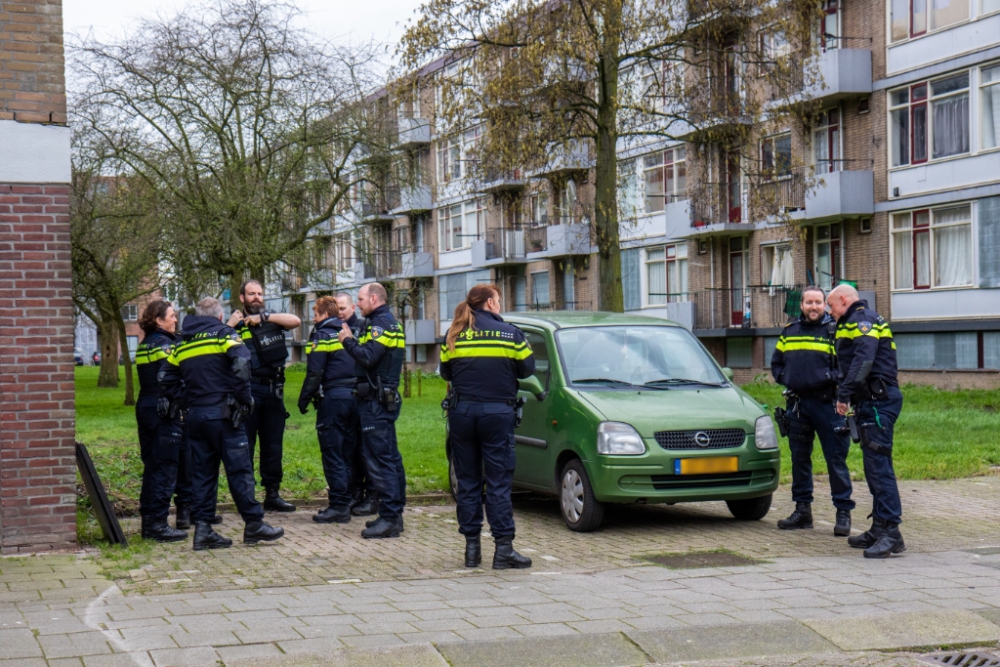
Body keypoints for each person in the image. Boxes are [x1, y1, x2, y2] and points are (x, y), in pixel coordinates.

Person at [160, 297, 284, 550]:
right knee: (239, 471)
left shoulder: (184, 342)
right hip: (225, 416)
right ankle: (254, 524)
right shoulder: (223, 334)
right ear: (218, 316)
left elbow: (165, 376)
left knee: (203, 475)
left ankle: (203, 530)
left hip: (195, 417)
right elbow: (241, 362)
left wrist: (185, 400)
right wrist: (244, 399)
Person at [439, 284, 535, 570]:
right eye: (498, 300)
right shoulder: (510, 333)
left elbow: (446, 372)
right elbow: (528, 368)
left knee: (467, 482)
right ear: (491, 303)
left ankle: (471, 550)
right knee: (498, 482)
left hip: (462, 414)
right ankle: (503, 549)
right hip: (497, 414)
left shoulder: (454, 333)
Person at [827, 284, 905, 559]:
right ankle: (880, 527)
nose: (829, 311)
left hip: (877, 403)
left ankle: (892, 533)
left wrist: (843, 396)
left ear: (844, 300)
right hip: (871, 402)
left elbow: (864, 361)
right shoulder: (858, 320)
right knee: (874, 467)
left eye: (831, 305)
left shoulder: (861, 320)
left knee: (879, 467)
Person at [771, 286, 854, 536]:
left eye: (818, 302)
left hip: (828, 404)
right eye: (809, 302)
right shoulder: (790, 331)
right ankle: (802, 511)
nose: (814, 307)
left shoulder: (835, 331)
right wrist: (788, 378)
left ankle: (843, 512)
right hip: (798, 404)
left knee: (835, 459)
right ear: (802, 305)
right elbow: (776, 363)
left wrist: (828, 380)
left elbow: (847, 365)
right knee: (799, 459)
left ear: (825, 305)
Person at [337, 282, 407, 539]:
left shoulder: (381, 325)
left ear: (374, 298)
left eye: (361, 299)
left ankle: (390, 517)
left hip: (376, 402)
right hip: (379, 399)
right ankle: (394, 514)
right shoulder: (384, 322)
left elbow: (368, 357)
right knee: (390, 457)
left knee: (380, 460)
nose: (359, 304)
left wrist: (347, 341)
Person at [227, 280, 301, 513]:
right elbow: (218, 347)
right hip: (247, 391)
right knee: (245, 446)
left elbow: (296, 321)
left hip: (273, 391)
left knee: (273, 446)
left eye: (259, 293)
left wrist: (265, 318)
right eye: (251, 294)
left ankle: (273, 494)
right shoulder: (234, 324)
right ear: (242, 298)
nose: (256, 297)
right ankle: (247, 498)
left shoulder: (272, 320)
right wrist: (229, 325)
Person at [298, 296, 359, 524]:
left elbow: (315, 372)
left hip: (333, 400)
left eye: (315, 314)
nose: (313, 319)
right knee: (347, 452)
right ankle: (349, 498)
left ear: (324, 315)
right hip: (354, 398)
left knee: (333, 452)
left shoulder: (321, 335)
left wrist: (303, 400)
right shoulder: (349, 332)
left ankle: (339, 505)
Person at [134, 300, 187, 542]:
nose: (175, 320)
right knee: (165, 466)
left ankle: (148, 522)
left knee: (152, 465)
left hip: (145, 405)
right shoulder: (166, 344)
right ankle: (158, 525)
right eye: (172, 316)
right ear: (159, 320)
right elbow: (172, 377)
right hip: (163, 408)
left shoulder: (144, 344)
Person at [336, 292, 377, 517]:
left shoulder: (365, 326)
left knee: (365, 448)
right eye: (337, 308)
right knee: (349, 448)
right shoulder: (333, 328)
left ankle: (372, 494)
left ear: (352, 306)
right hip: (344, 396)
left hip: (363, 392)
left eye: (343, 307)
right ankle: (355, 492)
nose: (340, 312)